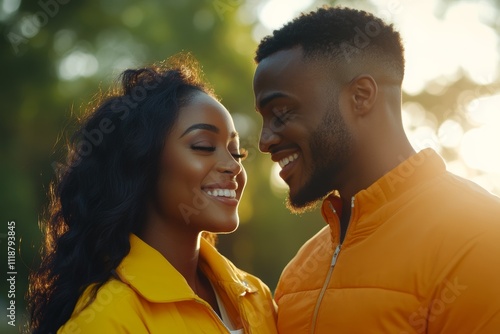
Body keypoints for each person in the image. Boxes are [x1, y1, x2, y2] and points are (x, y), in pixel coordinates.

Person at [253, 5, 500, 333]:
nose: (264, 140)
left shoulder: (481, 237)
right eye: (264, 118)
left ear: (360, 96)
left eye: (281, 112)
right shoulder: (299, 270)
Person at [27, 53, 278, 334]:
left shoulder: (258, 297)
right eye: (204, 146)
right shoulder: (105, 320)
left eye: (236, 152)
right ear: (141, 163)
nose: (233, 166)